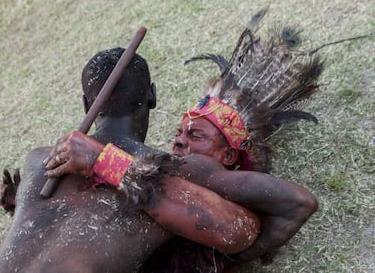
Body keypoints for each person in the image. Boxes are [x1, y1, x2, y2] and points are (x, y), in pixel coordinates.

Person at [40, 32, 319, 271]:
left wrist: (229, 259)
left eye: (196, 135)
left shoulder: (198, 173)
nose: (179, 143)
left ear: (229, 156)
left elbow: (298, 203)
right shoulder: (165, 170)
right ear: (151, 96)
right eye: (178, 133)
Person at [0, 48, 262, 273]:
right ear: (152, 96)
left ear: (86, 104)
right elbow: (252, 224)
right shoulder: (174, 171)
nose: (180, 140)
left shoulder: (38, 160)